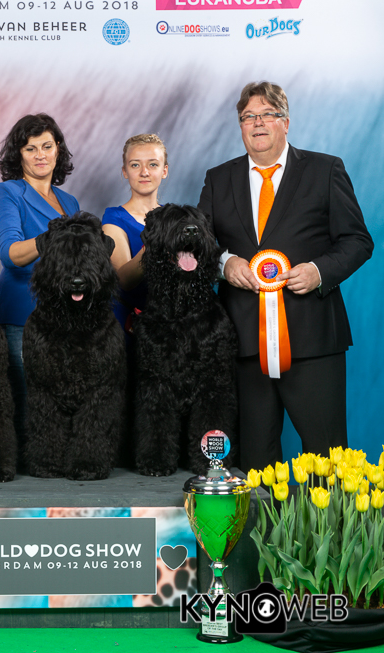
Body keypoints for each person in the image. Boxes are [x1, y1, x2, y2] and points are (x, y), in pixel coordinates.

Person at [198, 81, 373, 472]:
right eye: (248, 117)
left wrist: (319, 271)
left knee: (328, 460)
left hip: (313, 339)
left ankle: (329, 517)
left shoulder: (326, 169)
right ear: (240, 126)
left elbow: (358, 241)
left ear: (286, 122)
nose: (257, 123)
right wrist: (225, 264)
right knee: (255, 466)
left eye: (267, 114)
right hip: (243, 343)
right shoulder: (218, 178)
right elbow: (201, 245)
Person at [0, 113, 79, 460]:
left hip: (65, 317)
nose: (40, 155)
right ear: (18, 154)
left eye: (47, 146)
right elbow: (10, 253)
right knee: (29, 403)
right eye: (30, 148)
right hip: (22, 314)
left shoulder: (69, 202)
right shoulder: (6, 193)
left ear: (58, 150)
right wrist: (49, 238)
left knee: (59, 399)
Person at [102, 133, 168, 336]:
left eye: (153, 164)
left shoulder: (172, 217)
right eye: (135, 165)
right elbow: (124, 280)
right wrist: (154, 242)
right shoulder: (113, 218)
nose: (144, 172)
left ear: (164, 171)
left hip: (168, 323)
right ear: (125, 171)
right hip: (131, 326)